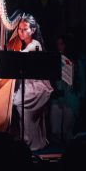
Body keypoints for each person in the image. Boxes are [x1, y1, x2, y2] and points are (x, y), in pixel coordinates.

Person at [11, 13, 54, 151]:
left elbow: (19, 58)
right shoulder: (25, 44)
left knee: (18, 102)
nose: (21, 32)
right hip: (28, 85)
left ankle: (27, 142)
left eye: (25, 29)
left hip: (36, 87)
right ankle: (34, 141)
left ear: (33, 30)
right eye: (19, 29)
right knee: (21, 107)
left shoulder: (34, 45)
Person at [50, 32, 86, 143]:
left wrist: (82, 98)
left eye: (62, 44)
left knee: (67, 132)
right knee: (55, 131)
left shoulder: (76, 62)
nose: (59, 47)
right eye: (58, 44)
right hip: (57, 98)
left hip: (71, 97)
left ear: (67, 45)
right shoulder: (55, 60)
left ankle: (68, 157)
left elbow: (82, 81)